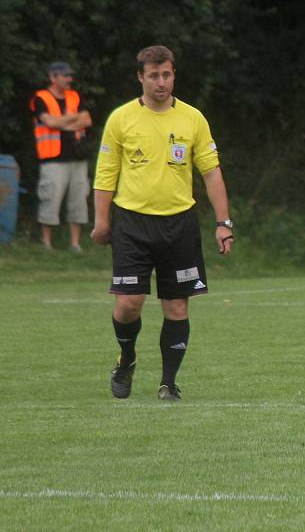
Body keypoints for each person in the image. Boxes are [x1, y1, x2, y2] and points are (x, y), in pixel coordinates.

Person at [92, 45, 233, 401]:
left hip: (179, 225)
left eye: (166, 74)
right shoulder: (121, 119)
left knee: (177, 306)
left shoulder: (192, 119)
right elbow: (106, 175)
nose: (161, 82)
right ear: (140, 77)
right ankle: (126, 358)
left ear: (174, 75)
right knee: (128, 304)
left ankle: (169, 383)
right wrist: (100, 221)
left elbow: (212, 172)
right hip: (131, 224)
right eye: (153, 75)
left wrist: (223, 222)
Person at [29, 61, 92, 251]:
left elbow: (87, 119)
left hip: (77, 157)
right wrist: (74, 119)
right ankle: (46, 243)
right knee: (50, 198)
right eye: (65, 76)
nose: (69, 79)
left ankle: (75, 244)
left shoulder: (74, 96)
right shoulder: (40, 98)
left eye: (69, 75)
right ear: (52, 77)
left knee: (79, 199)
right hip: (52, 159)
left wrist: (61, 123)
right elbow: (48, 122)